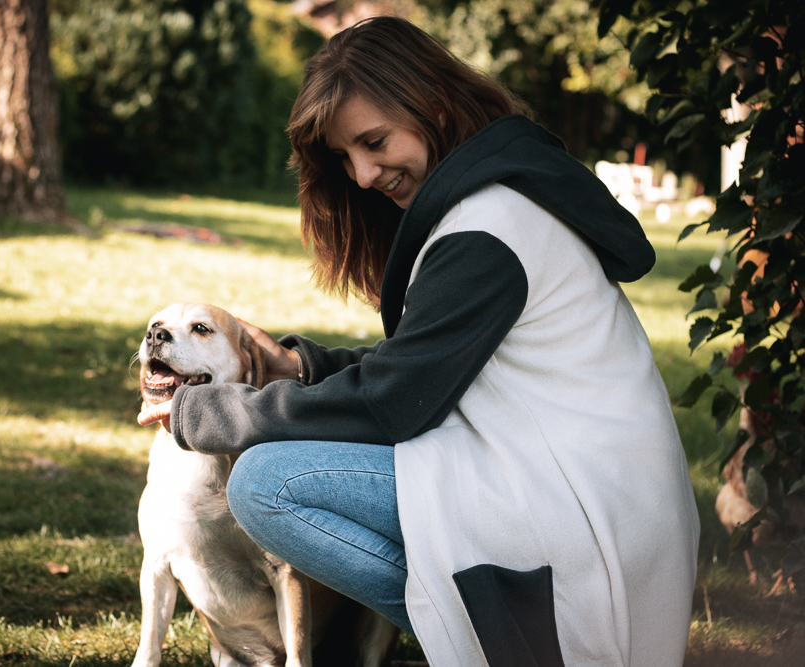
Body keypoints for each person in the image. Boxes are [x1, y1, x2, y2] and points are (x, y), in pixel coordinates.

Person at [138, 16, 699, 667]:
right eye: (346, 157)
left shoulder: (488, 228)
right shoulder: (494, 204)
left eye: (374, 142)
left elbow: (395, 400)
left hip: (580, 525)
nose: (364, 174)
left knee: (267, 481)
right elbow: (427, 362)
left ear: (431, 106)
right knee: (283, 476)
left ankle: (506, 641)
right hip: (565, 491)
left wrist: (215, 411)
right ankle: (463, 628)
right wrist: (303, 364)